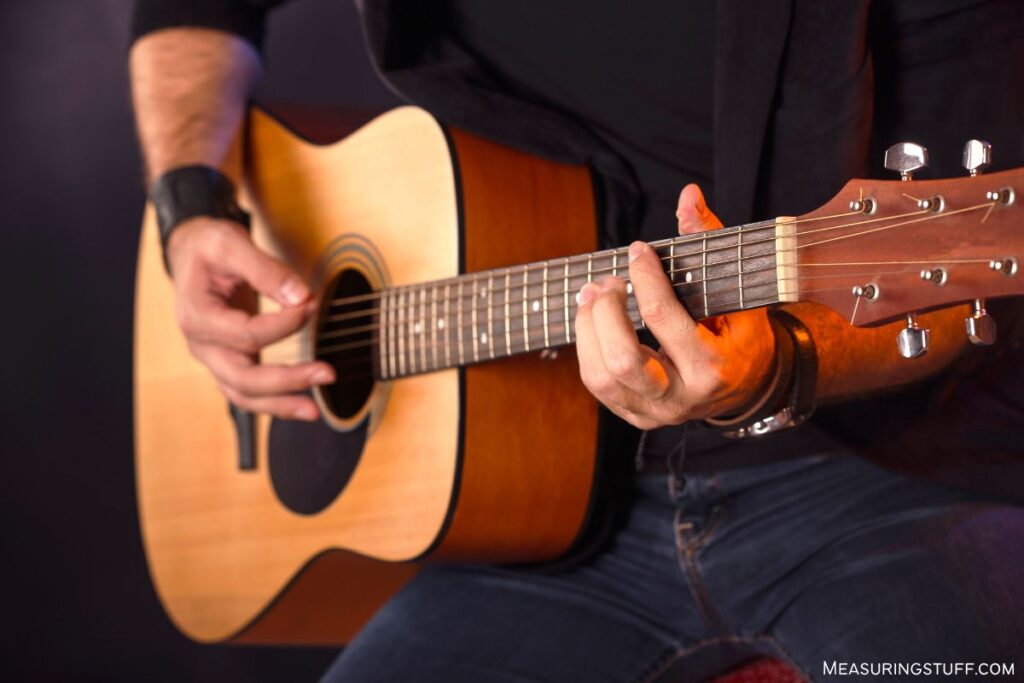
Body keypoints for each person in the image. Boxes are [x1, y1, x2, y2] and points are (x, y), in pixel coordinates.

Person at [129, 1, 1024, 680]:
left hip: (888, 476)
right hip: (547, 512)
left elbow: (969, 277)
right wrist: (186, 202)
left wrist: (776, 369)